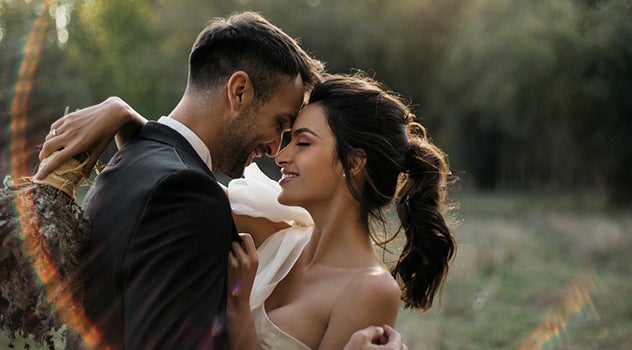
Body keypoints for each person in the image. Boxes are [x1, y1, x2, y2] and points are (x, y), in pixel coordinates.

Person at [41, 73, 451, 349]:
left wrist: (240, 314)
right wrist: (120, 113)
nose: (282, 154)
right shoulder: (272, 227)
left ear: (354, 162)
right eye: (288, 138)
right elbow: (173, 180)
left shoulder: (370, 291)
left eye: (303, 143)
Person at [38, 11, 323, 349]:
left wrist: (123, 113)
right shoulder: (189, 194)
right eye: (279, 123)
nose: (275, 148)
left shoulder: (130, 159)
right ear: (240, 91)